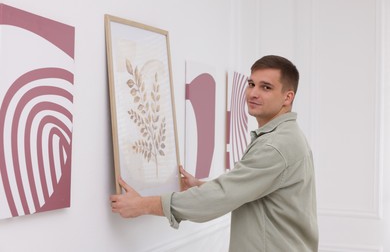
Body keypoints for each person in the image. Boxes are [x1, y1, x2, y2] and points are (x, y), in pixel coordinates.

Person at [110, 55, 319, 251]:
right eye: (251, 84)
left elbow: (218, 198)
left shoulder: (274, 145)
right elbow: (246, 188)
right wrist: (200, 185)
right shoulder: (286, 136)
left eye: (266, 87)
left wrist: (143, 205)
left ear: (287, 97)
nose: (253, 93)